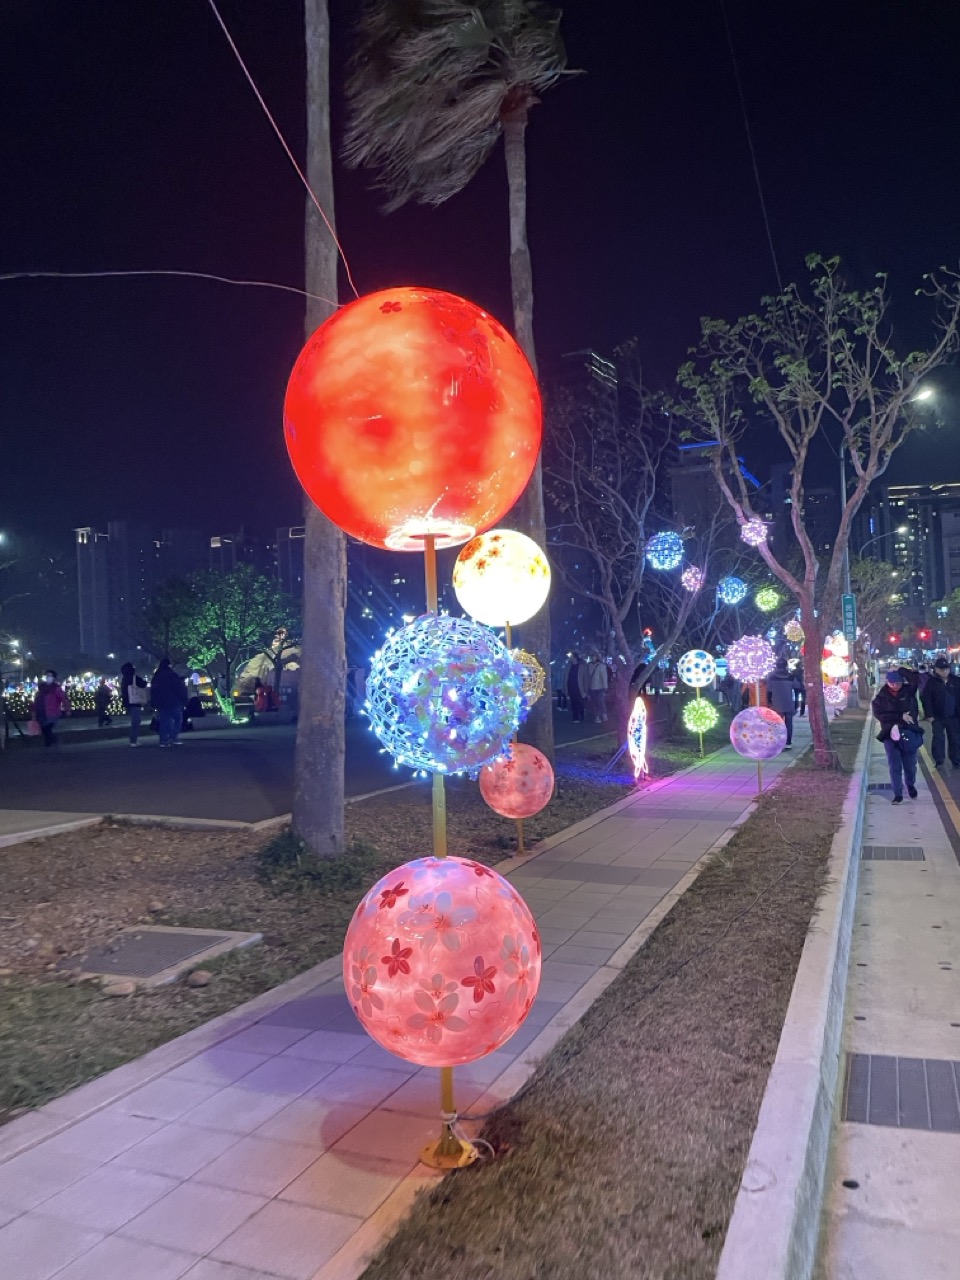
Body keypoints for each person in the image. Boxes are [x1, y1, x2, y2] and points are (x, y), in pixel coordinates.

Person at [872, 668, 922, 804]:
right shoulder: (880, 698)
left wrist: (901, 669)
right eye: (893, 683)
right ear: (887, 682)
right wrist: (900, 716)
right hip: (890, 734)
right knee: (894, 765)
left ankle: (910, 784)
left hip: (909, 732)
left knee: (910, 765)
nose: (896, 686)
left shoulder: (908, 691)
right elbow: (880, 715)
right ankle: (898, 793)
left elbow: (916, 679)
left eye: (899, 683)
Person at [921, 656, 960, 769]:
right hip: (937, 717)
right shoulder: (932, 682)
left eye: (946, 669)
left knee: (955, 739)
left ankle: (956, 760)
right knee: (938, 739)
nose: (944, 671)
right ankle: (939, 761)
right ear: (936, 670)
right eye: (942, 669)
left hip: (954, 716)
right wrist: (929, 715)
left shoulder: (956, 681)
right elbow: (926, 699)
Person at [150, 657, 187, 747]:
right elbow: (179, 688)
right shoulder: (172, 675)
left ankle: (163, 740)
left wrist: (153, 702)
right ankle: (173, 737)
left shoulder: (157, 676)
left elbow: (153, 690)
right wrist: (184, 700)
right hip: (174, 701)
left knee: (164, 721)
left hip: (162, 703)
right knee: (178, 719)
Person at [32, 670, 70, 747]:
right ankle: (52, 741)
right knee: (44, 730)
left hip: (52, 713)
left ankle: (49, 744)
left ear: (53, 678)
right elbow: (36, 700)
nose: (48, 677)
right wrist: (33, 711)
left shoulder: (56, 689)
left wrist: (67, 709)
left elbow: (64, 699)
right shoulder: (41, 689)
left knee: (47, 728)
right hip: (41, 712)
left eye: (50, 676)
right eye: (47, 675)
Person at [766, 657, 796, 747]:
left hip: (776, 704)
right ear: (786, 666)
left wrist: (769, 702)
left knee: (776, 723)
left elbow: (769, 691)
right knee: (789, 723)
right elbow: (797, 687)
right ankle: (788, 742)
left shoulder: (771, 677)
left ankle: (778, 741)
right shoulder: (791, 676)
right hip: (788, 703)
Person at [120, 662, 149, 745]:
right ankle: (133, 740)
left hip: (128, 702)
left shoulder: (124, 679)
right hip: (135, 702)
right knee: (136, 721)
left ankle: (133, 740)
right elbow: (143, 684)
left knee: (135, 721)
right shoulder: (134, 678)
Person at [566, 652, 589, 723]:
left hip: (579, 688)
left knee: (580, 703)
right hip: (571, 688)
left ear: (575, 657)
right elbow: (566, 678)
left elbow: (586, 679)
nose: (570, 658)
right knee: (573, 703)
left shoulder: (582, 667)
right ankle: (575, 717)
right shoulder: (569, 666)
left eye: (571, 656)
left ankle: (582, 715)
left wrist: (585, 690)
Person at [588, 652, 609, 723]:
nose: (592, 658)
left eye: (594, 656)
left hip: (600, 688)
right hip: (592, 687)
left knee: (600, 701)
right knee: (594, 702)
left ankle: (604, 714)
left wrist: (605, 687)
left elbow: (604, 677)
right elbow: (589, 676)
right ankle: (597, 716)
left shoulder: (601, 666)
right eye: (592, 656)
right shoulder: (590, 665)